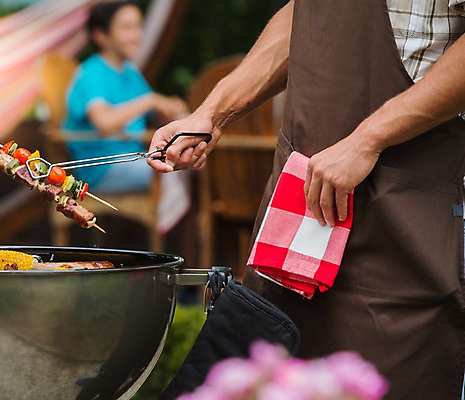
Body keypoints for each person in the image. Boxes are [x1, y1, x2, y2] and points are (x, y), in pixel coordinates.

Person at [148, 1, 465, 399]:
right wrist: (213, 113)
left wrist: (368, 140)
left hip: (404, 212)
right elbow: (306, 13)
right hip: (294, 211)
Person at [62, 0, 186, 193]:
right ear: (101, 35)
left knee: (190, 165)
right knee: (174, 171)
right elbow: (104, 121)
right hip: (104, 168)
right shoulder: (91, 73)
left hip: (134, 159)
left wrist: (171, 109)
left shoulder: (131, 73)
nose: (137, 35)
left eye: (138, 26)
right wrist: (150, 100)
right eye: (127, 28)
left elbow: (154, 113)